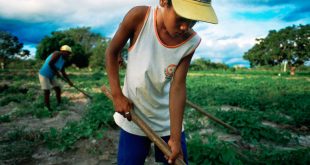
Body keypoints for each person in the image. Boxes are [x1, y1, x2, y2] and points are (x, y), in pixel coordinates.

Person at [105, 0, 217, 164]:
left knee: (177, 159)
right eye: (182, 17)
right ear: (164, 1)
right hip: (134, 115)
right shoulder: (139, 18)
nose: (186, 26)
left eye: (193, 20)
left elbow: (178, 87)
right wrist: (117, 94)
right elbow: (111, 52)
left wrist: (175, 137)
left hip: (166, 121)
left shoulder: (190, 42)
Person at [38, 45, 74, 111]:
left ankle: (59, 103)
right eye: (67, 53)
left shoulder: (63, 60)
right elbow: (50, 63)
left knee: (58, 89)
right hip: (44, 74)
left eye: (69, 54)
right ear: (63, 51)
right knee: (47, 91)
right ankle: (47, 107)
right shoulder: (57, 53)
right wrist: (57, 73)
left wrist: (69, 81)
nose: (68, 55)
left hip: (52, 75)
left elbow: (63, 72)